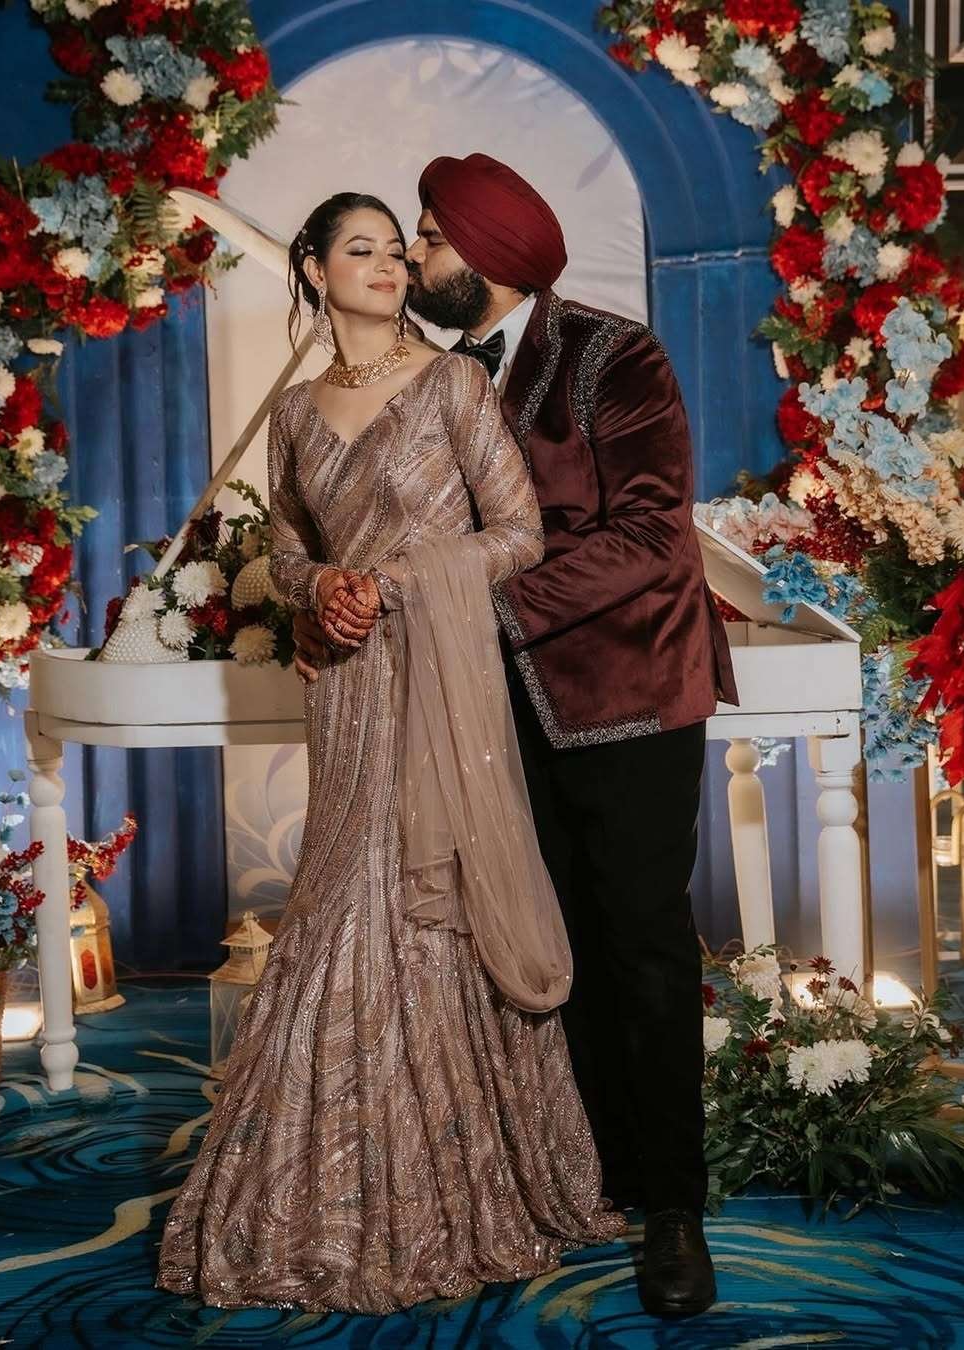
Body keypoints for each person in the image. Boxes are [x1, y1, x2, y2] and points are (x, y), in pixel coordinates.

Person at [156, 191, 626, 1314]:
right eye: (358, 250)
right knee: (337, 896)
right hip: (351, 683)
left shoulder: (452, 385)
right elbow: (286, 549)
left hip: (441, 682)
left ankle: (453, 1181)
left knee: (430, 900)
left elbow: (518, 534)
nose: (386, 266)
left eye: (393, 252)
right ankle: (308, 1194)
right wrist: (324, 586)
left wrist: (399, 580)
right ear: (314, 270)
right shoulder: (296, 412)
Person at [292, 156, 739, 1318]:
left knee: (642, 945)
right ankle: (590, 1174)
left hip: (628, 693)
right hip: (491, 714)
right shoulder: (433, 376)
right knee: (540, 943)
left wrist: (470, 608)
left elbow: (652, 537)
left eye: (430, 239)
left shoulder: (609, 356)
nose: (413, 257)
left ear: (485, 257)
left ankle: (673, 1209)